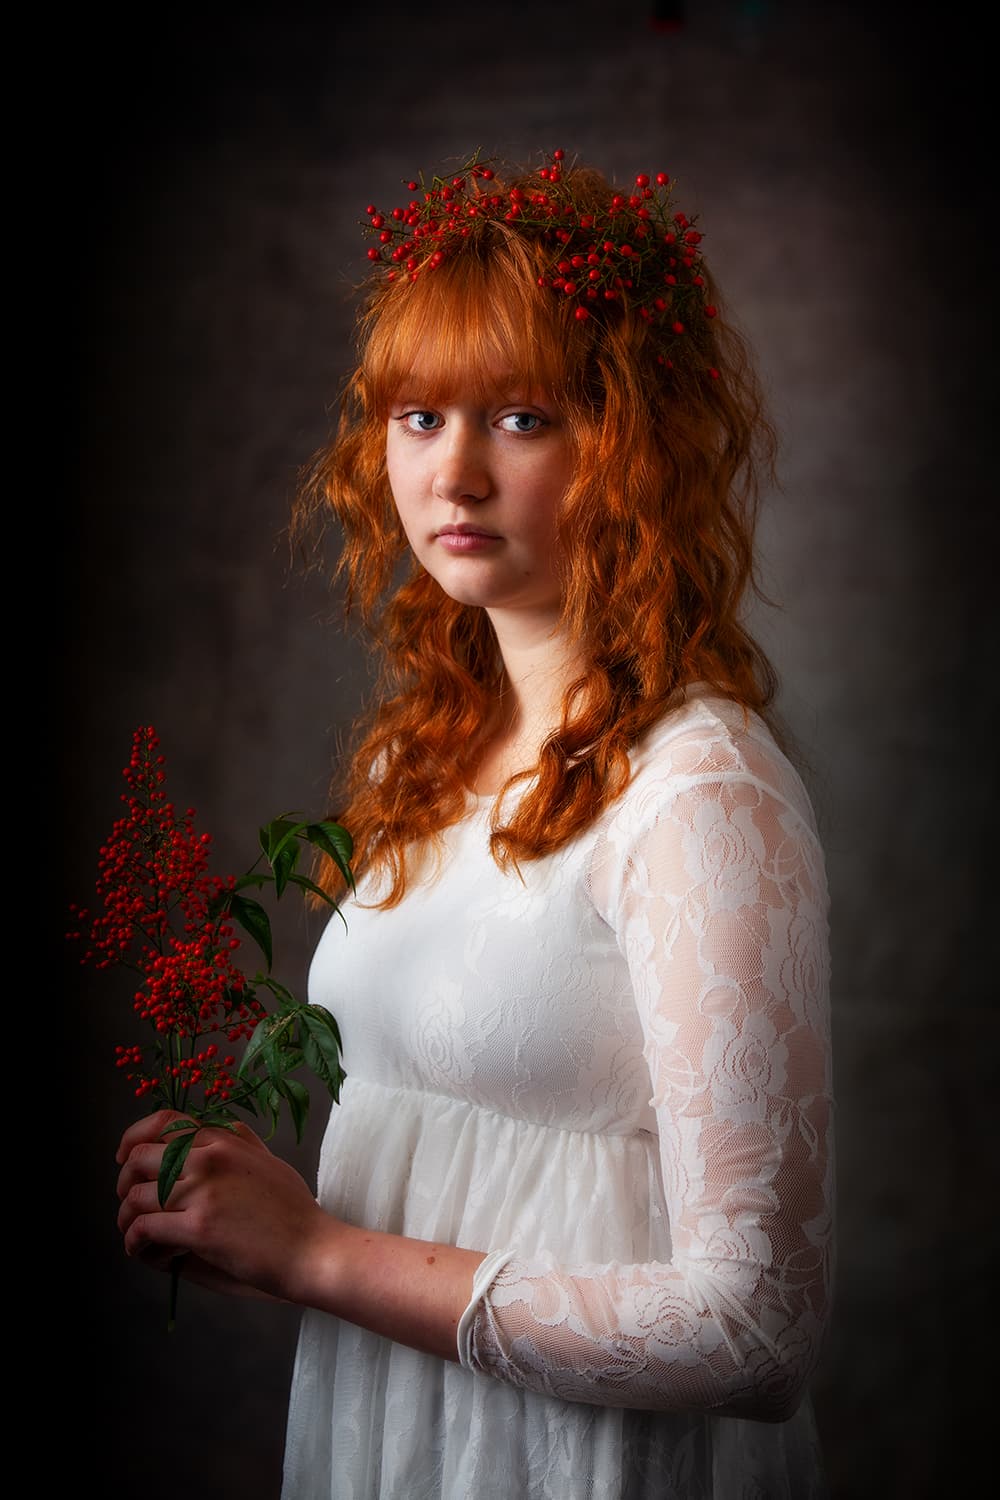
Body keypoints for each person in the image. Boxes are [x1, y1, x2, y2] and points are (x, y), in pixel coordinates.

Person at [116, 147, 834, 1499]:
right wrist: (252, 1220)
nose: (450, 475)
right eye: (415, 415)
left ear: (631, 443)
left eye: (519, 418)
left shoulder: (698, 793)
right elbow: (455, 1182)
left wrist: (319, 1256)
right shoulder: (425, 751)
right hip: (400, 1444)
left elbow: (759, 1330)